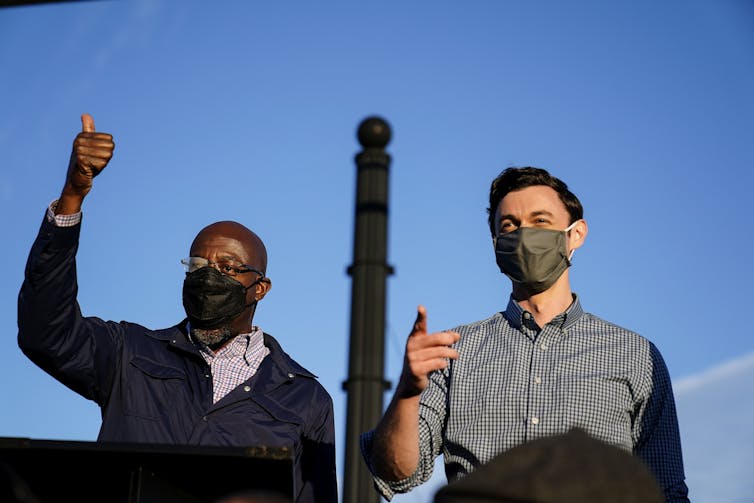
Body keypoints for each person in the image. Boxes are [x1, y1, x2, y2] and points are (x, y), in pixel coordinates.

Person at [17, 114, 337, 503]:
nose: (209, 278)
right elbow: (44, 332)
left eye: (227, 268)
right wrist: (72, 196)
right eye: (198, 266)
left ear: (260, 289)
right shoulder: (128, 353)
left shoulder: (306, 399)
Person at [361, 167, 689, 502]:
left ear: (576, 234)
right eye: (510, 225)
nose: (524, 233)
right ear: (496, 245)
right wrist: (406, 392)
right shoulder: (454, 352)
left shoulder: (635, 355)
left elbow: (666, 490)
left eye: (541, 221)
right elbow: (396, 472)